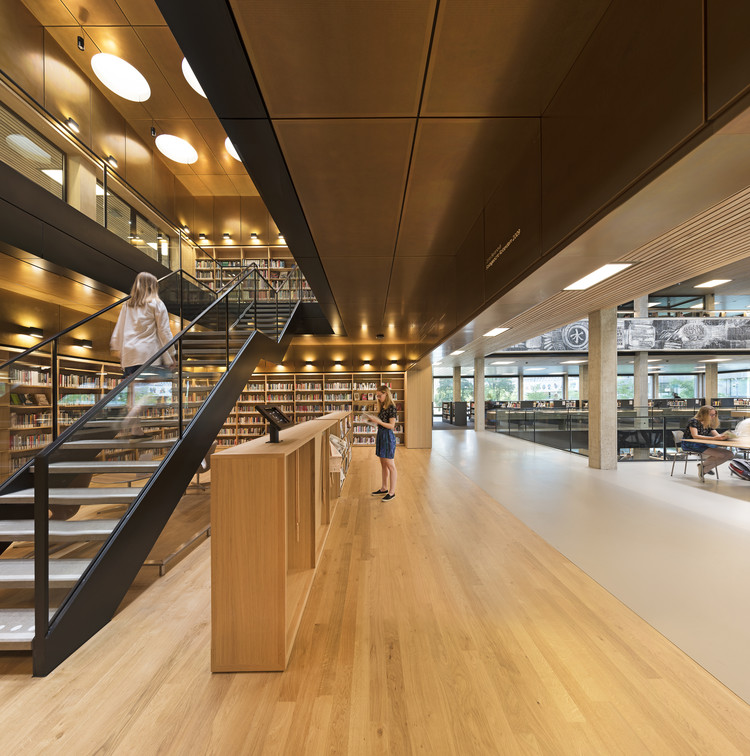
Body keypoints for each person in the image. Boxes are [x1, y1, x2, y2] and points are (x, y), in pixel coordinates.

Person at [110, 272, 175, 436]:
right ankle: (131, 415)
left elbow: (120, 327)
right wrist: (172, 353)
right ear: (153, 286)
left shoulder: (128, 305)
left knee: (133, 391)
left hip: (129, 355)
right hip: (148, 354)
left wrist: (116, 347)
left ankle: (135, 428)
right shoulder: (157, 304)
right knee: (153, 389)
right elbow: (164, 332)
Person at [682, 405, 733, 480]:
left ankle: (703, 468)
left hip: (702, 443)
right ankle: (704, 469)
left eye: (714, 414)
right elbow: (695, 436)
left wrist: (725, 436)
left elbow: (717, 435)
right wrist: (714, 438)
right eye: (711, 415)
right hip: (690, 444)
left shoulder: (708, 423)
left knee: (730, 454)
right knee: (721, 455)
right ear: (704, 414)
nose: (713, 416)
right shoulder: (693, 421)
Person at [365, 385, 397, 501]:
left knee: (390, 465)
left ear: (386, 394)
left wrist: (378, 421)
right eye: (377, 396)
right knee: (383, 464)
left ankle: (392, 492)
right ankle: (384, 488)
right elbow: (381, 423)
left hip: (387, 437)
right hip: (381, 435)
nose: (378, 398)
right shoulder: (383, 407)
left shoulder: (391, 407)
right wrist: (373, 421)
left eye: (380, 395)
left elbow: (391, 426)